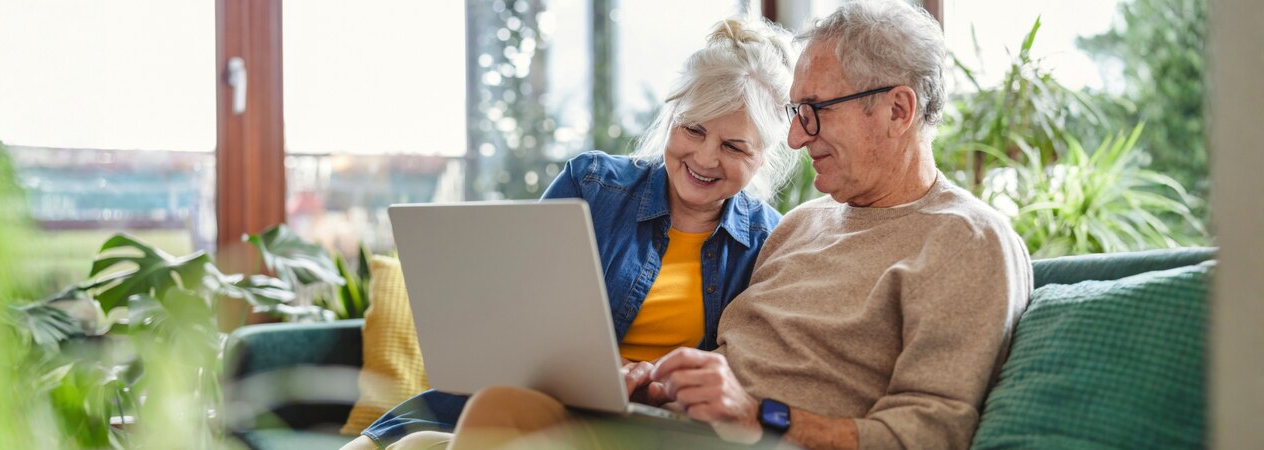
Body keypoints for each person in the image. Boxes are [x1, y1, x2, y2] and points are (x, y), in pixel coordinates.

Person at [439, 1, 1034, 449]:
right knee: (494, 413)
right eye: (795, 114)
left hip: (754, 440)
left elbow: (930, 432)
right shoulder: (801, 226)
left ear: (898, 110)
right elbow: (728, 360)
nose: (797, 138)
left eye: (813, 113)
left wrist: (759, 415)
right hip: (672, 428)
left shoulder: (967, 240)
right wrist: (665, 382)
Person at [341, 16, 801, 450]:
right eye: (693, 129)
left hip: (650, 429)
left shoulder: (768, 242)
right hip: (532, 403)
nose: (704, 157)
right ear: (671, 118)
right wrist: (607, 372)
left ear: (765, 156)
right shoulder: (593, 185)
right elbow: (516, 320)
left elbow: (747, 382)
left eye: (733, 146)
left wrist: (659, 385)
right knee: (411, 441)